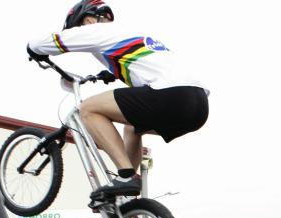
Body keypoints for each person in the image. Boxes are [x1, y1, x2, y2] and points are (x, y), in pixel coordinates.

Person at [27, 0, 209, 200]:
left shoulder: (96, 30)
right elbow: (145, 64)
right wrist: (111, 73)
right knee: (132, 127)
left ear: (87, 20)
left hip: (170, 95)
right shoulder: (132, 34)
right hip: (198, 104)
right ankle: (128, 199)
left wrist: (32, 49)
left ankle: (126, 175)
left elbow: (49, 42)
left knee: (88, 109)